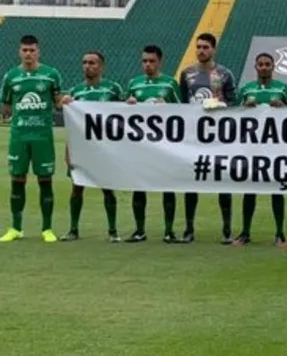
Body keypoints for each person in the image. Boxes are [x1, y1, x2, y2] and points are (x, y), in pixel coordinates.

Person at [0, 35, 66, 243]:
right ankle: (15, 228)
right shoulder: (11, 76)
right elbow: (7, 108)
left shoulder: (50, 75)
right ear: (19, 52)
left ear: (39, 52)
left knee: (45, 180)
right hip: (19, 137)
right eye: (25, 50)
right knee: (17, 180)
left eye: (32, 50)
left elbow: (58, 103)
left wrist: (66, 101)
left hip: (43, 137)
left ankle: (47, 228)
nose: (28, 54)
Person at [178, 33, 236, 244]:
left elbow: (233, 104)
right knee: (192, 181)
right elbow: (182, 105)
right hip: (193, 137)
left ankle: (227, 230)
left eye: (205, 47)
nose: (201, 50)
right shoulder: (187, 74)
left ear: (213, 49)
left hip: (219, 137)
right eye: (199, 47)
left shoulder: (224, 74)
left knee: (222, 182)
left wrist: (219, 106)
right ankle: (189, 228)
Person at [61, 51, 123, 242]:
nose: (88, 66)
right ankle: (73, 229)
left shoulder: (113, 89)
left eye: (92, 63)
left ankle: (113, 231)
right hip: (81, 147)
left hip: (105, 147)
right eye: (85, 62)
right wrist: (68, 151)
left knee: (107, 187)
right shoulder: (75, 92)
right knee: (77, 187)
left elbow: (125, 117)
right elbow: (72, 125)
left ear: (101, 67)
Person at [235, 53, 287, 247]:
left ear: (273, 66)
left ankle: (280, 233)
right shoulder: (246, 90)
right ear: (255, 67)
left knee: (276, 190)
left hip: (275, 147)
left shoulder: (283, 89)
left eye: (267, 64)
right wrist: (245, 108)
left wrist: (284, 108)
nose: (264, 67)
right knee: (249, 190)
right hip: (252, 147)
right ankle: (245, 232)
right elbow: (234, 116)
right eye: (260, 64)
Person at [124, 45, 181, 244]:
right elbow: (123, 114)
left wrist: (168, 107)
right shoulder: (134, 84)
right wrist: (128, 104)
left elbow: (183, 113)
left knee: (168, 186)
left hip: (165, 144)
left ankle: (169, 231)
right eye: (144, 61)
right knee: (138, 187)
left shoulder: (170, 84)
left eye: (152, 61)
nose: (147, 65)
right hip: (141, 145)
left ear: (160, 62)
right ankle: (139, 230)